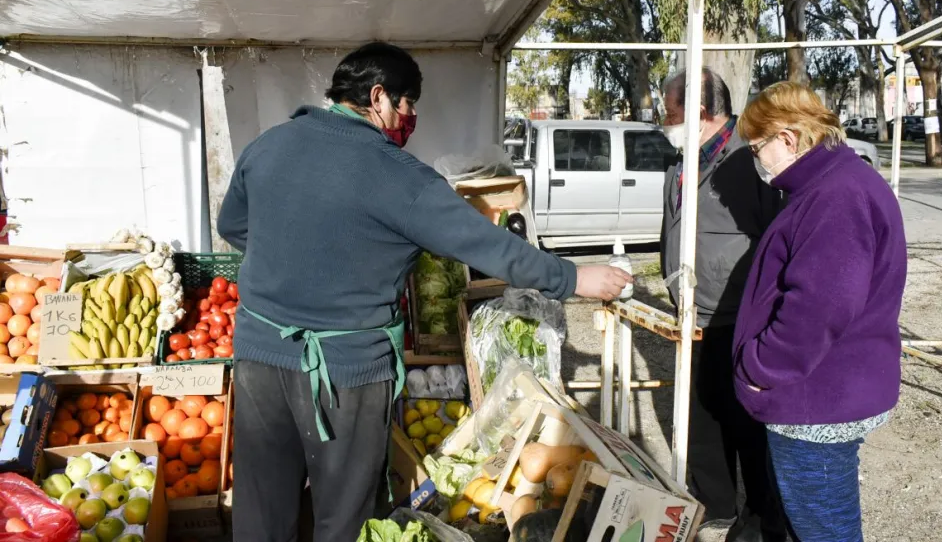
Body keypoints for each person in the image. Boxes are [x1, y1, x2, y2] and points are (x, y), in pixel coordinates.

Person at [216, 42, 631, 541]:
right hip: (345, 369)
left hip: (260, 353)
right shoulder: (397, 176)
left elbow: (235, 226)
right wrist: (574, 278)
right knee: (344, 515)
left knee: (260, 508)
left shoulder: (269, 144)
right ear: (378, 97)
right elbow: (487, 245)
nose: (410, 118)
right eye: (409, 104)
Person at [734, 82, 907, 542]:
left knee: (824, 531)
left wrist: (760, 366)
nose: (758, 160)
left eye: (757, 148)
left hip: (818, 402)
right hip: (825, 391)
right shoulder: (833, 183)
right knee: (810, 524)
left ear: (787, 139)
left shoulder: (835, 195)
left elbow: (821, 305)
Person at [659, 68, 785, 542]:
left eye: (670, 111)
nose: (664, 120)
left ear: (701, 112)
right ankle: (714, 505)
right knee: (702, 414)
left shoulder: (749, 161)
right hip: (692, 314)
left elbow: (773, 238)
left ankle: (761, 516)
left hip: (736, 317)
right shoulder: (681, 160)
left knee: (745, 422)